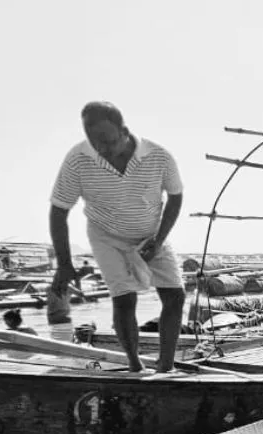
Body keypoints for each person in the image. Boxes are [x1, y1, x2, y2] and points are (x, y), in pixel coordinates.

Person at [49, 102, 184, 372]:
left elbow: (176, 196)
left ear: (124, 131)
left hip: (150, 234)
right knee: (124, 298)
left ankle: (166, 366)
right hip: (106, 236)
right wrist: (65, 264)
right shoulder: (78, 159)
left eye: (109, 141)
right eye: (95, 142)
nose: (103, 150)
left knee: (175, 296)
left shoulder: (158, 156)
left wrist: (158, 240)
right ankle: (135, 366)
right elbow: (58, 211)